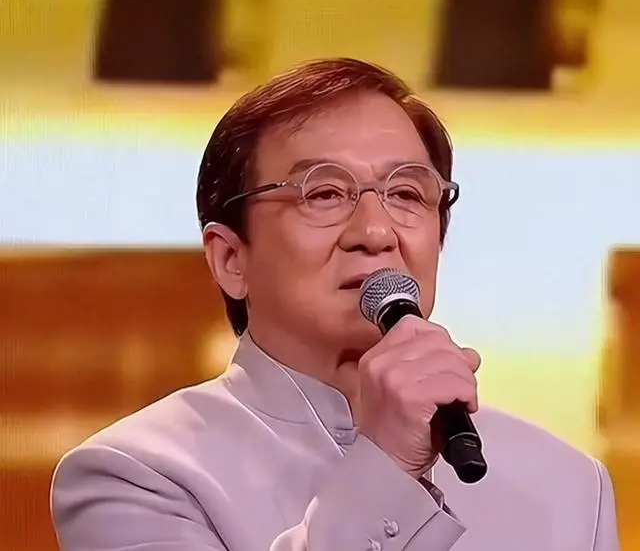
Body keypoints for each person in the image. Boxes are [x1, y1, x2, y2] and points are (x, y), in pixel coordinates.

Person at [50, 58, 619, 550]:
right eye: (324, 193)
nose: (375, 231)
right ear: (231, 259)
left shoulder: (569, 486)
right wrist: (387, 465)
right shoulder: (135, 475)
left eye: (406, 194)